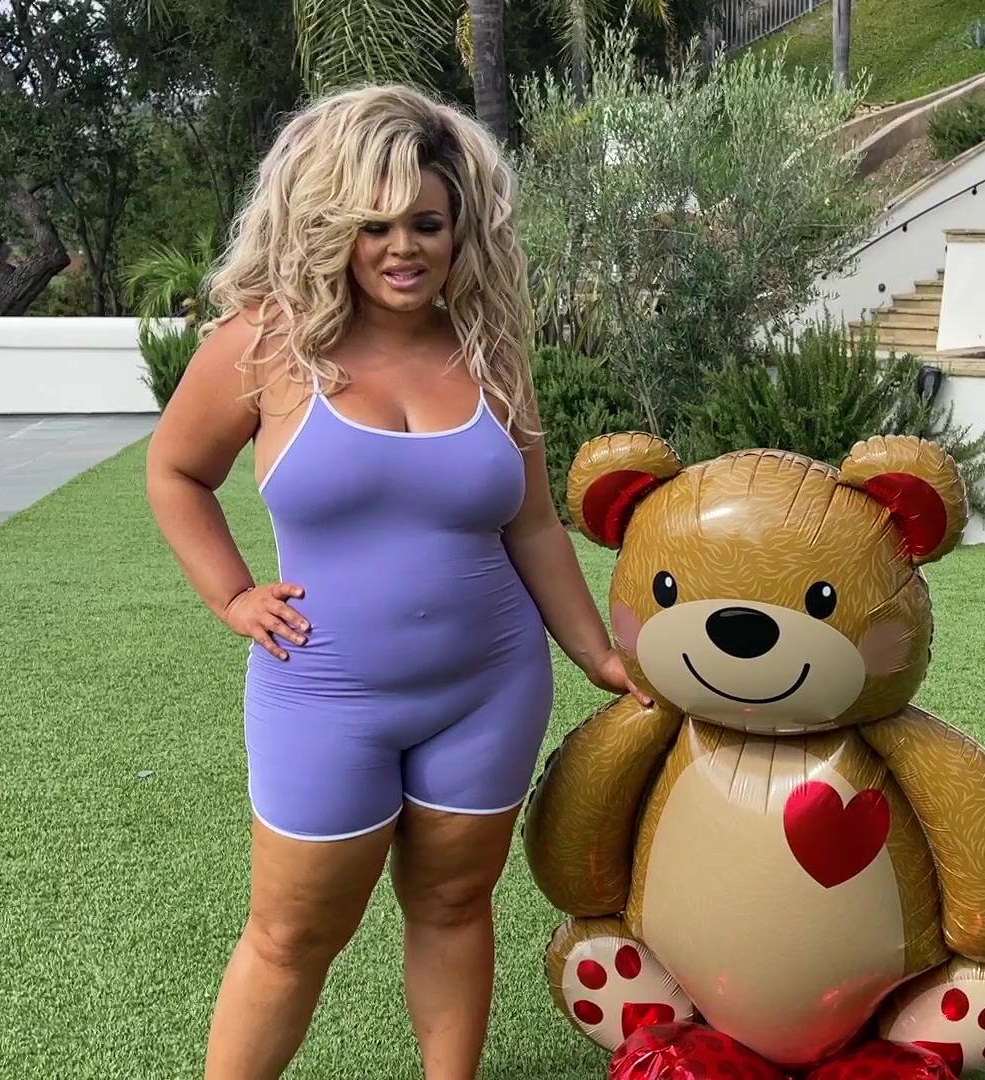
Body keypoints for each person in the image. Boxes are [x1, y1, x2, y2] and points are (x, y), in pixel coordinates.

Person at [144, 85, 643, 1080]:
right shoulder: (265, 344)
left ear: (462, 228)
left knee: (454, 904)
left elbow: (532, 524)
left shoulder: (489, 352)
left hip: (488, 689)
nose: (402, 248)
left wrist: (597, 654)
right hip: (325, 695)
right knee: (291, 935)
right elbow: (175, 472)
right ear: (331, 227)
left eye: (426, 222)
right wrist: (232, 596)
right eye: (374, 226)